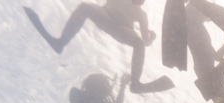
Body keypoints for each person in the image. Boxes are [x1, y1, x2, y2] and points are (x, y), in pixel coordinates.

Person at [24, 0, 173, 93]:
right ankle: (61, 43)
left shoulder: (142, 15)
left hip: (121, 28)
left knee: (139, 44)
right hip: (105, 16)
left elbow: (144, 42)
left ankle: (136, 84)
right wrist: (147, 38)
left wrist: (150, 38)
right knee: (84, 7)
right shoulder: (139, 13)